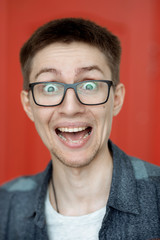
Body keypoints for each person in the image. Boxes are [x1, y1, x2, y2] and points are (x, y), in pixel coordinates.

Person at [0, 18, 160, 240]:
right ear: (29, 105)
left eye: (89, 85)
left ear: (117, 99)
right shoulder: (5, 205)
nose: (71, 107)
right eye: (49, 87)